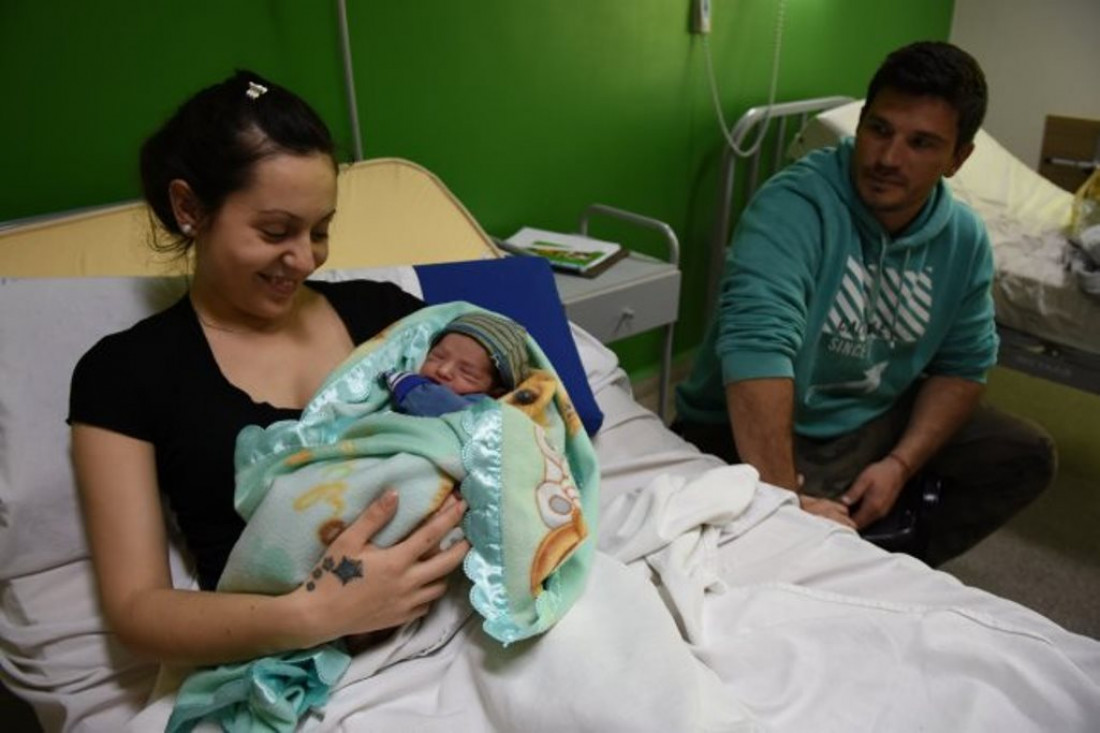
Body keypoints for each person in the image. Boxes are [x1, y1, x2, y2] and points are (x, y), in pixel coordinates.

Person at [68, 70, 471, 666]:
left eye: (321, 230)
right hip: (290, 655)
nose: (305, 258)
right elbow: (137, 610)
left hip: (468, 611)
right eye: (275, 231)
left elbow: (507, 410)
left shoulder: (386, 317)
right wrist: (318, 613)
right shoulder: (127, 373)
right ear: (189, 208)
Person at [673, 41, 1056, 566]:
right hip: (753, 423)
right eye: (878, 130)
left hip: (869, 419)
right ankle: (827, 549)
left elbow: (964, 366)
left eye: (921, 143)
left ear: (957, 158)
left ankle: (882, 566)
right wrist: (783, 506)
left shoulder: (963, 238)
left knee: (1024, 454)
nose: (888, 159)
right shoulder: (795, 206)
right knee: (756, 544)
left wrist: (900, 464)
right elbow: (757, 351)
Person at [384, 311, 530, 417]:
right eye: (437, 357)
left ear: (496, 392)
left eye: (467, 372)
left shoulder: (481, 409)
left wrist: (405, 382)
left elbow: (434, 403)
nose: (443, 370)